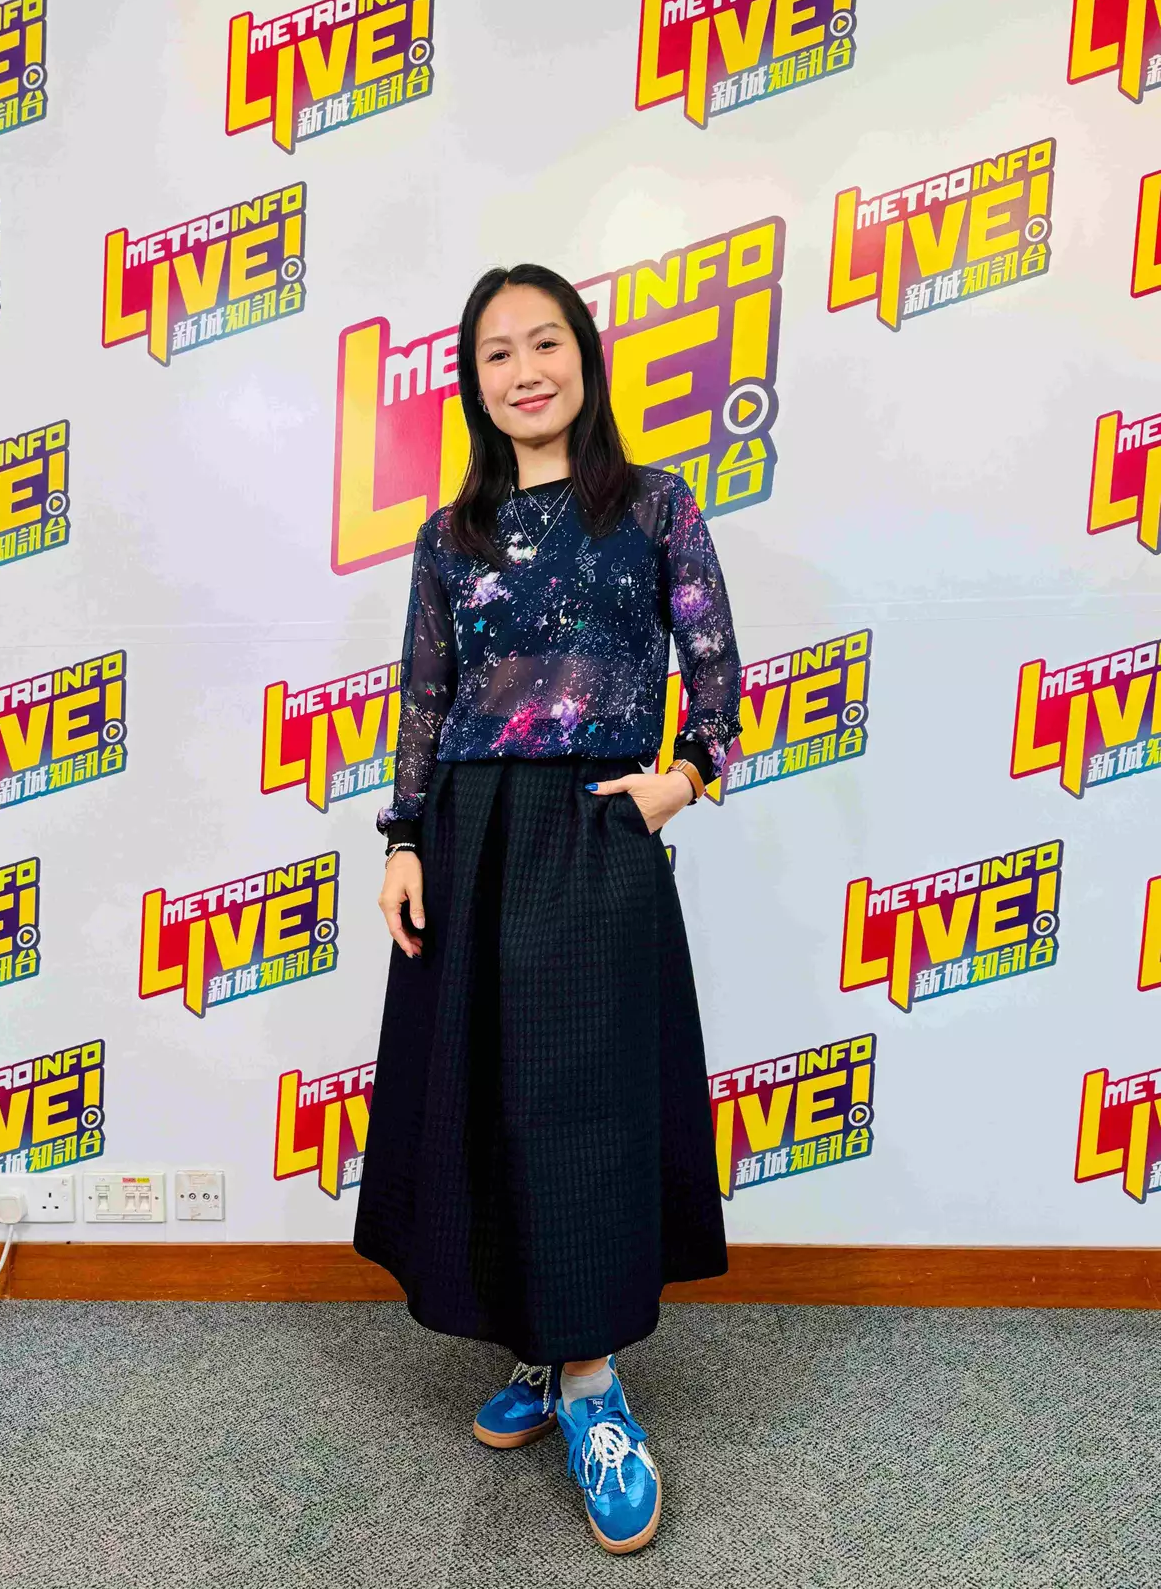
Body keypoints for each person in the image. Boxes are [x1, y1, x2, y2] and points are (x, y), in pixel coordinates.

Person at [354, 261, 743, 1555]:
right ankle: (537, 1341)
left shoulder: (653, 506)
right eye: (497, 353)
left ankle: (592, 1386)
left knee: (584, 1102)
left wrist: (679, 782)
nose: (524, 370)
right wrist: (405, 838)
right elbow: (424, 696)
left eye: (545, 343)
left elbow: (717, 668)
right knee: (486, 1096)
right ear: (474, 384)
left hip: (593, 825)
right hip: (468, 834)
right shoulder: (449, 534)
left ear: (585, 355)